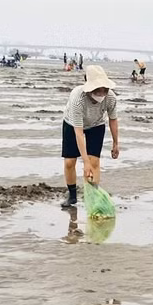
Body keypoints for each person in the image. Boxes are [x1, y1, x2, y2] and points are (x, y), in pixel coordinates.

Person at [59, 64, 120, 208]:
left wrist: (115, 143)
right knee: (70, 162)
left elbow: (113, 119)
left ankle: (93, 198)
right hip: (72, 124)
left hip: (96, 124)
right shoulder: (78, 99)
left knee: (94, 162)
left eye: (104, 89)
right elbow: (78, 132)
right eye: (98, 89)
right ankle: (72, 196)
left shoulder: (110, 97)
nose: (101, 93)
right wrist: (84, 162)